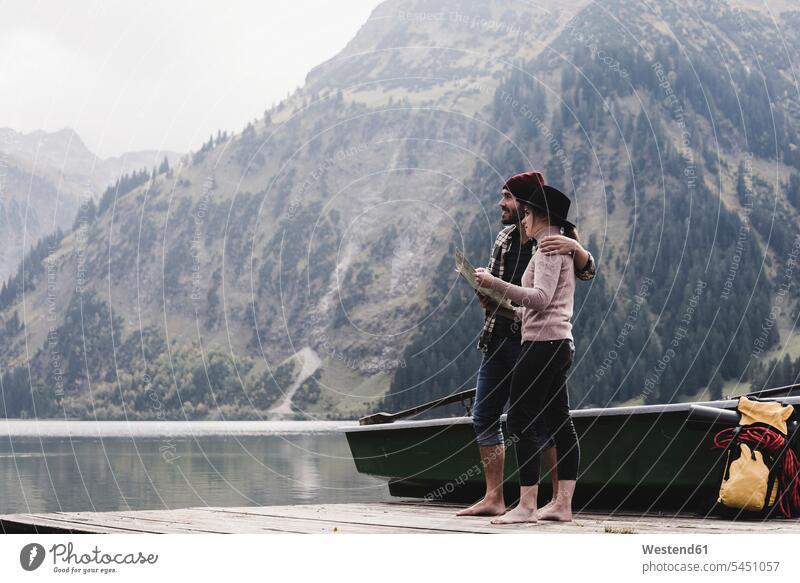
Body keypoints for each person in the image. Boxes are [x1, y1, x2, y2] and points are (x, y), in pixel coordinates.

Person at [456, 171, 594, 517]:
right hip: (527, 336)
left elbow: (543, 296)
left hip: (541, 343)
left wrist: (497, 285)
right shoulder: (524, 240)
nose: (503, 205)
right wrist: (499, 301)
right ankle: (556, 504)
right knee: (555, 419)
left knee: (521, 419)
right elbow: (537, 301)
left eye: (510, 199)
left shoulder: (550, 246)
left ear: (532, 211)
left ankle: (529, 504)